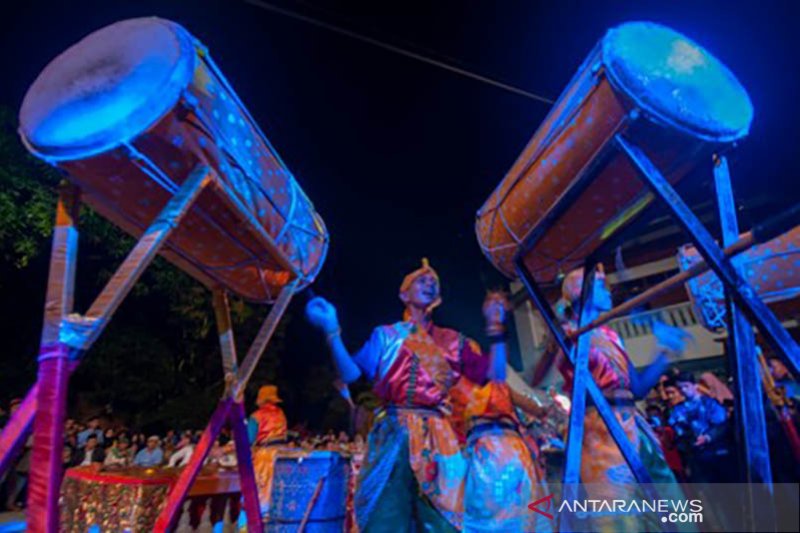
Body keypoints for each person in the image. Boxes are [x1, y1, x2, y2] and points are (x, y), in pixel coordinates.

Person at [306, 258, 491, 531]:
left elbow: (488, 373)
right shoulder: (386, 335)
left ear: (438, 297)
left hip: (438, 437)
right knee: (386, 514)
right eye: (421, 280)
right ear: (403, 295)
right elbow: (351, 375)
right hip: (394, 435)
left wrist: (498, 331)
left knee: (444, 519)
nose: (429, 283)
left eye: (434, 282)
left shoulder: (454, 341)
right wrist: (332, 330)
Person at [448, 291, 550, 532]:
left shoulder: (500, 384)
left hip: (516, 450)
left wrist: (548, 409)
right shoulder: (458, 381)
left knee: (528, 516)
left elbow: (531, 403)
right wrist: (495, 326)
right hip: (483, 454)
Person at [666, 372, 734, 483]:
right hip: (696, 457)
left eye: (686, 386)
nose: (683, 390)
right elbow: (676, 431)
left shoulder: (710, 403)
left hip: (718, 453)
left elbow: (721, 425)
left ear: (695, 386)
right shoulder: (678, 410)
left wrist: (707, 437)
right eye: (680, 387)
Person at [248, 384, 288, 514]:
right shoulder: (281, 414)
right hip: (282, 454)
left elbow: (248, 439)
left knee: (262, 489)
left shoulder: (256, 416)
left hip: (265, 456)